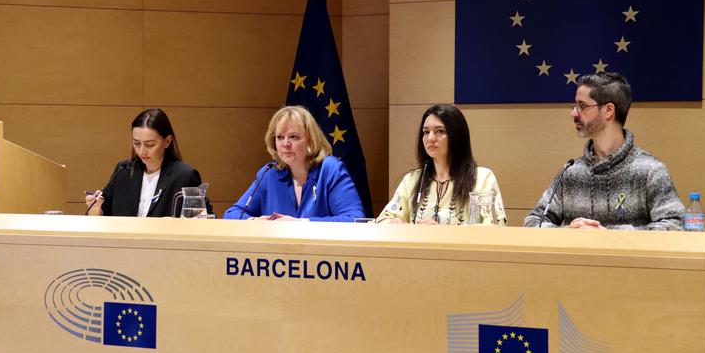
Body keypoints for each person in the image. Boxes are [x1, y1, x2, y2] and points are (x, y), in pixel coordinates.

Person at [524, 72, 684, 230]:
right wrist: (568, 233)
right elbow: (533, 222)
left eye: (582, 106)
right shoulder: (570, 172)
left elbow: (675, 225)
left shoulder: (650, 171)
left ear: (608, 110)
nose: (573, 113)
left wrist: (609, 236)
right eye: (575, 106)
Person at [224, 106, 365, 222]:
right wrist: (254, 222)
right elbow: (232, 214)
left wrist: (302, 224)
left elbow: (355, 219)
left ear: (310, 140)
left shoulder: (329, 169)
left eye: (294, 137)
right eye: (280, 137)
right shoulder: (269, 173)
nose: (285, 144)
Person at [376, 104, 507, 225]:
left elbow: (494, 227)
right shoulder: (412, 179)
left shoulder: (482, 178)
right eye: (426, 132)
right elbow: (382, 219)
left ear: (456, 135)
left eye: (440, 131)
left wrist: (442, 232)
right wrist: (396, 223)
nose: (430, 138)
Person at [85, 108, 212, 217]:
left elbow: (202, 220)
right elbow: (103, 215)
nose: (142, 151)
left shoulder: (185, 176)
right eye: (136, 143)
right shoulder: (123, 170)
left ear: (167, 141)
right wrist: (95, 208)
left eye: (149, 145)